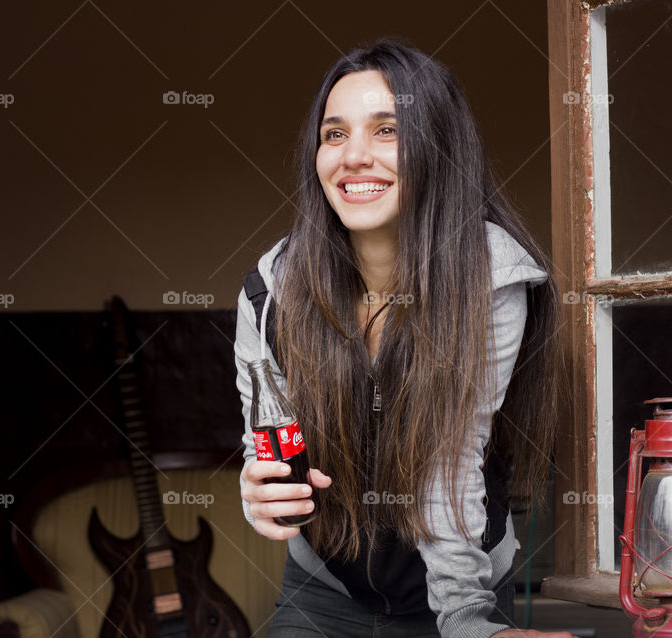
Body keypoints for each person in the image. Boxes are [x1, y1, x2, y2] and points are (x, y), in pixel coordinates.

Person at [235, 39, 575, 638]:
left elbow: (451, 465)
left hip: (459, 585)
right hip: (324, 589)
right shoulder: (273, 289)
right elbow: (265, 444)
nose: (353, 157)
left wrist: (471, 623)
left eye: (387, 130)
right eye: (334, 134)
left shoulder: (491, 278)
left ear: (438, 148)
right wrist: (256, 490)